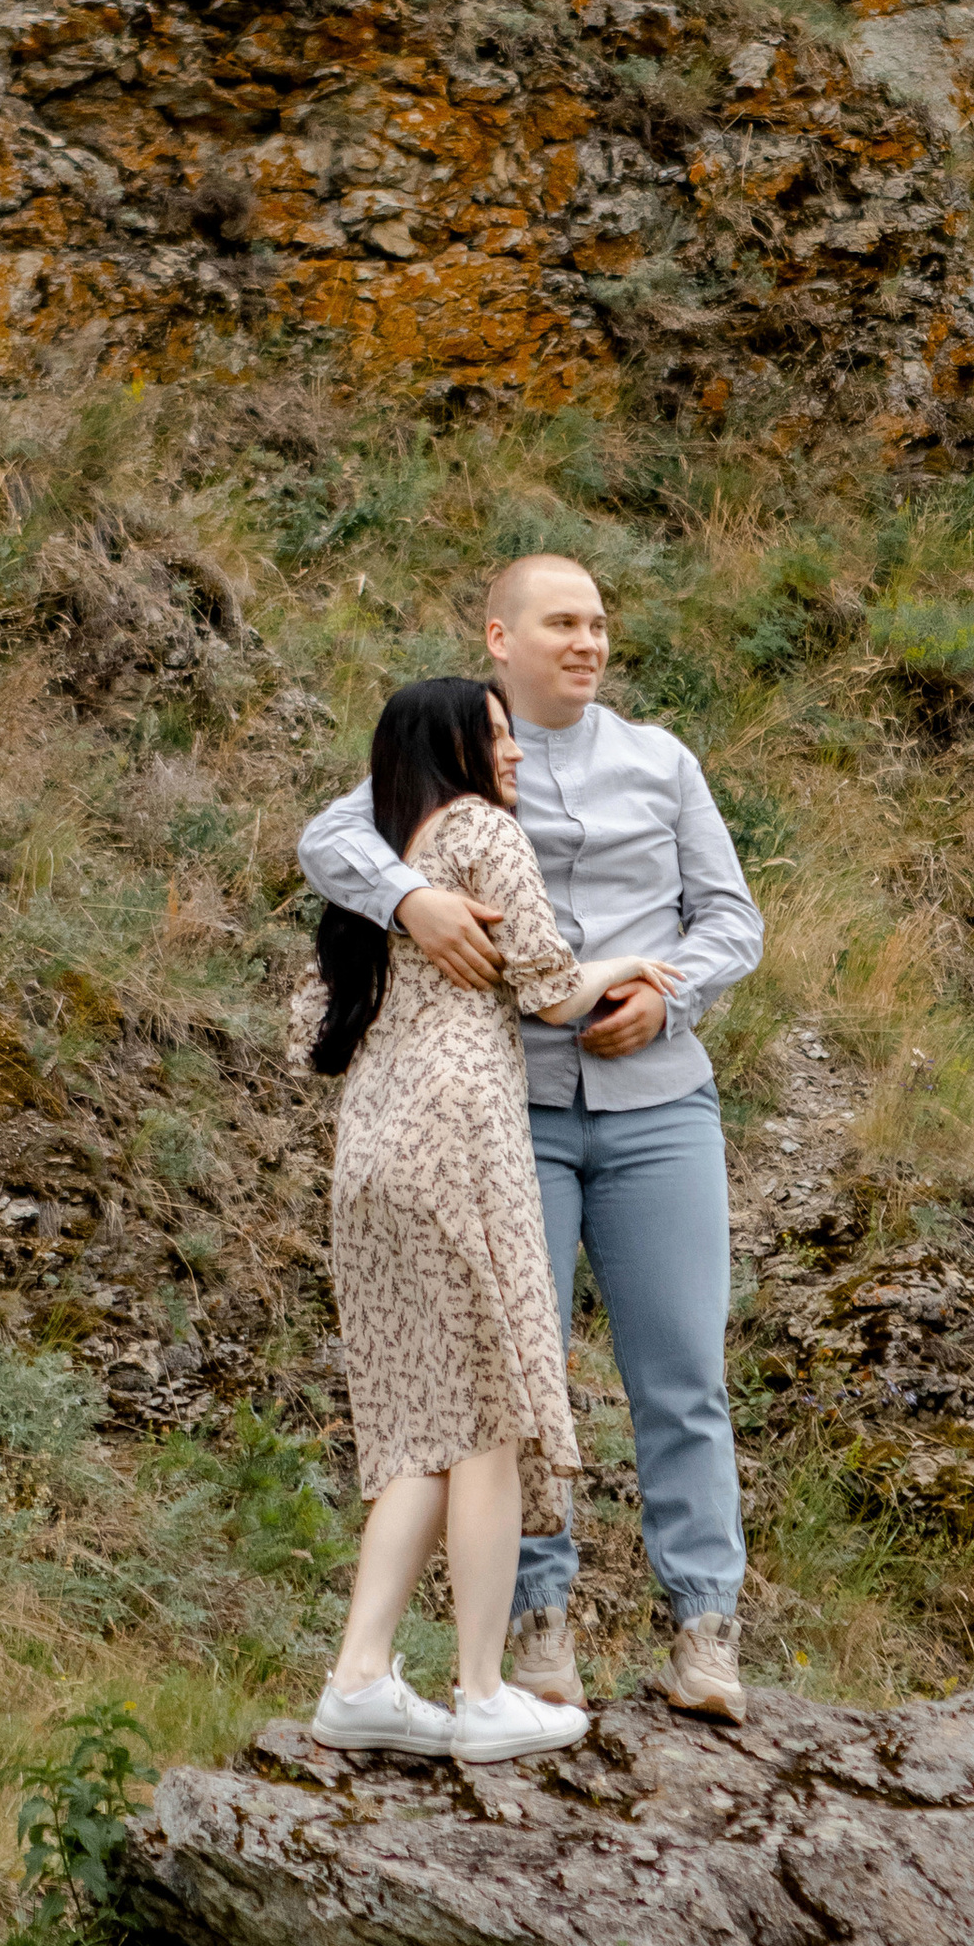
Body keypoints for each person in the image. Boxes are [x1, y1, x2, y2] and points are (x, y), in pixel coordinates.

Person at [300, 555, 762, 1719]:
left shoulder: (662, 762)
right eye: (563, 622)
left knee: (684, 1374)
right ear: (498, 637)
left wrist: (669, 999)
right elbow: (327, 841)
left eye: (599, 623)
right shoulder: (453, 758)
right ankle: (537, 1630)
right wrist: (411, 899)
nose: (588, 642)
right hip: (511, 1119)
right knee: (515, 1381)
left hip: (660, 1106)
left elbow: (730, 920)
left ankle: (704, 1630)